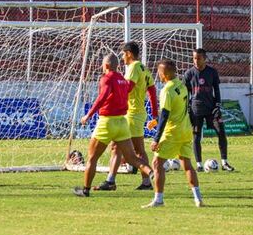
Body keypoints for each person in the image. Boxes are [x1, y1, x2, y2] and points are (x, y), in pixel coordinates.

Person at [73, 53, 156, 197]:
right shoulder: (123, 80)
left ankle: (85, 190)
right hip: (122, 122)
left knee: (92, 157)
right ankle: (152, 173)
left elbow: (102, 97)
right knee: (132, 158)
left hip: (107, 121)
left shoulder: (107, 78)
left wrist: (88, 115)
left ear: (106, 65)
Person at [96, 42, 158, 191]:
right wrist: (154, 113)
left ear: (129, 53)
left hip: (132, 113)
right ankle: (140, 181)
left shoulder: (134, 67)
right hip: (137, 113)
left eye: (123, 54)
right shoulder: (143, 67)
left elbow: (127, 88)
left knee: (129, 148)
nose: (122, 57)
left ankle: (145, 179)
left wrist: (114, 93)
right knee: (127, 148)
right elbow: (152, 90)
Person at [145, 59, 203, 208]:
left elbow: (165, 114)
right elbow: (176, 110)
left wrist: (156, 139)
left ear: (163, 73)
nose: (158, 74)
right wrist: (156, 121)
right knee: (187, 165)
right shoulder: (182, 85)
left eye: (159, 71)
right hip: (185, 131)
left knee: (157, 163)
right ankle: (198, 199)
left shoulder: (167, 90)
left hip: (173, 132)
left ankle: (159, 199)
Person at [182, 48, 234, 172]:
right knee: (196, 136)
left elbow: (216, 90)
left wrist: (218, 105)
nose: (196, 60)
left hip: (211, 109)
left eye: (198, 58)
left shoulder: (212, 72)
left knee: (221, 131)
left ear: (205, 58)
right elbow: (185, 93)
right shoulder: (189, 73)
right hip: (196, 110)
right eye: (194, 58)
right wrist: (187, 108)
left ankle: (224, 163)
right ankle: (199, 165)